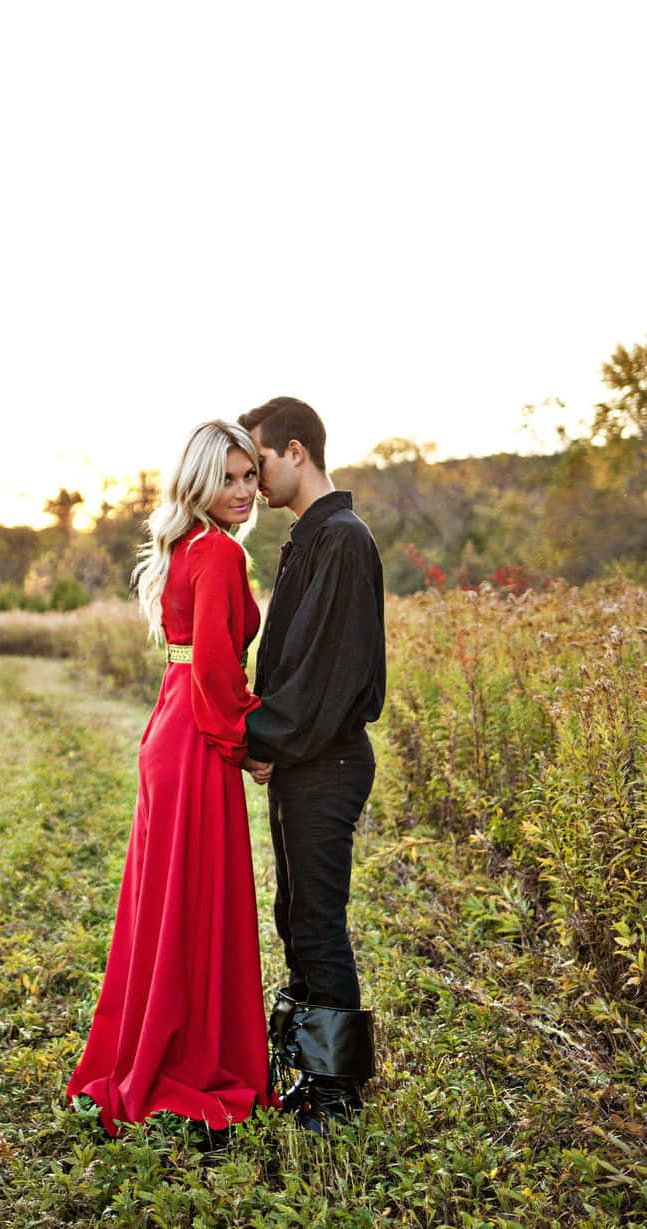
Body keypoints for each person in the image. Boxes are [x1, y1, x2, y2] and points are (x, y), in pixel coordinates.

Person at [66, 420, 276, 1138]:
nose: (244, 491)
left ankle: (153, 1043)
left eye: (250, 476)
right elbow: (217, 667)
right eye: (229, 478)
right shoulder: (216, 553)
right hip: (197, 736)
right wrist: (245, 742)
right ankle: (183, 1057)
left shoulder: (188, 547)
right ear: (199, 482)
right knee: (194, 899)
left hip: (170, 726)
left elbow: (197, 658)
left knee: (170, 900)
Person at [237, 396, 386, 1133]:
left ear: (295, 451)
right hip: (304, 758)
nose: (251, 480)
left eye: (257, 462)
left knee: (320, 922)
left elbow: (327, 674)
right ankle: (310, 1070)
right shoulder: (308, 538)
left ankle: (339, 1090)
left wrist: (264, 737)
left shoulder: (343, 540)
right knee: (293, 915)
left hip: (327, 759)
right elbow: (289, 661)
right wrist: (269, 740)